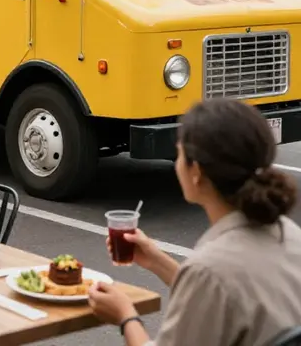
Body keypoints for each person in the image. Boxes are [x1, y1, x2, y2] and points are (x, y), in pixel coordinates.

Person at [88, 98, 301, 346]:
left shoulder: (209, 270)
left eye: (179, 154)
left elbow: (211, 284)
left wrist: (126, 317)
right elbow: (218, 293)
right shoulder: (290, 235)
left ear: (196, 172)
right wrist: (157, 261)